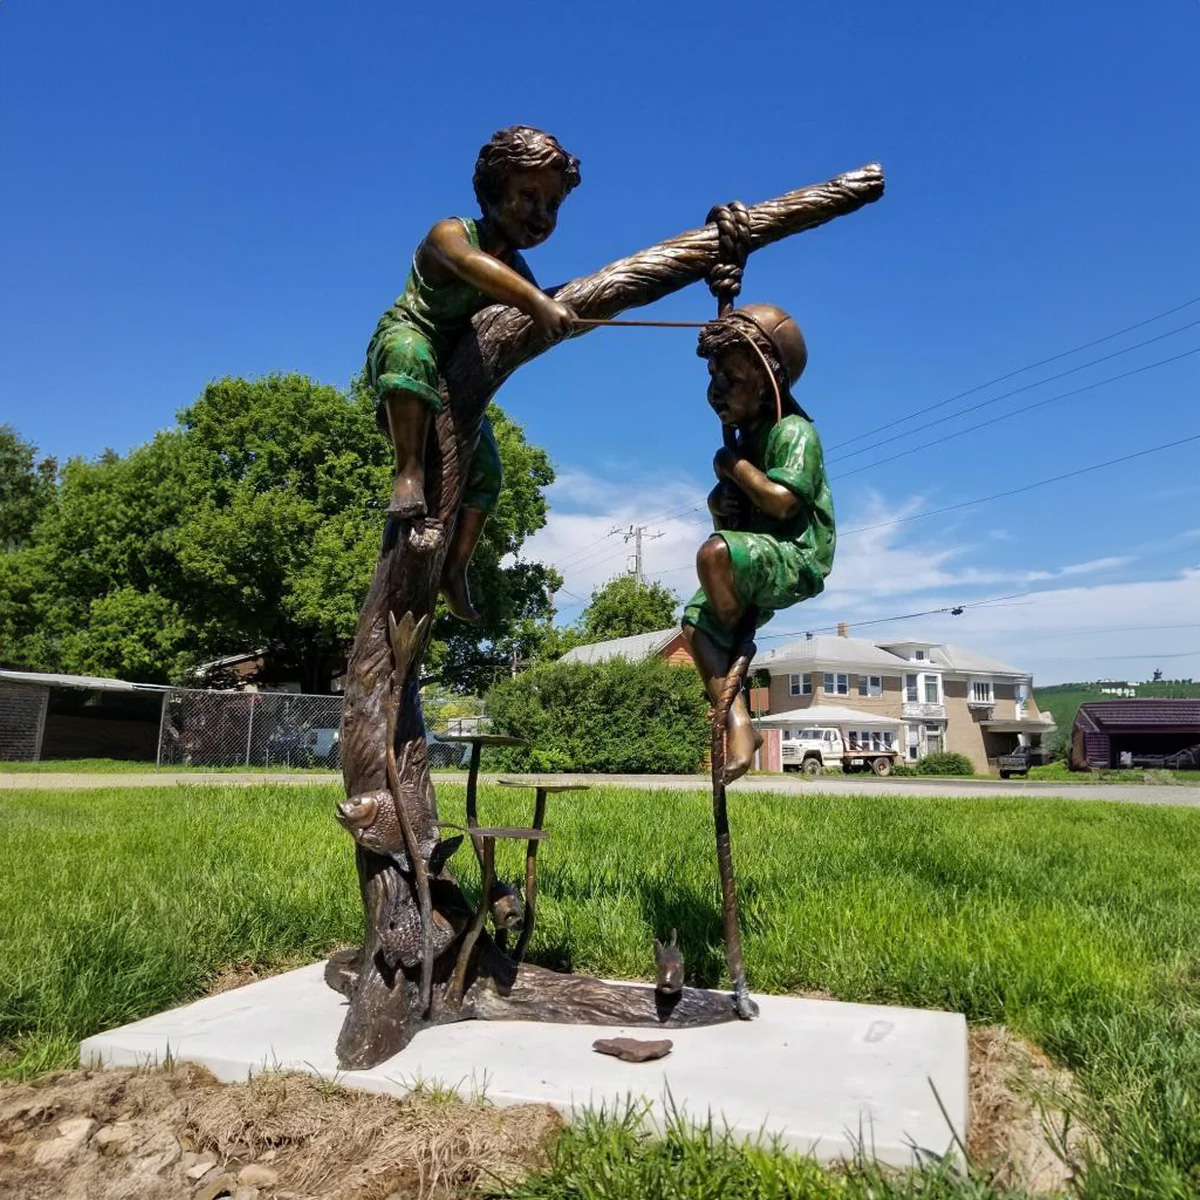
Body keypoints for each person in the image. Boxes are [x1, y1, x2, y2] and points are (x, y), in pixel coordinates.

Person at [365, 126, 581, 621]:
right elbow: (475, 268)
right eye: (528, 196)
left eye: (552, 205)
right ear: (492, 189)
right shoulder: (451, 234)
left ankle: (454, 568)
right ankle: (408, 471)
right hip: (411, 341)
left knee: (487, 469)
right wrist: (536, 301)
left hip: (458, 381)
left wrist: (558, 316)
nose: (540, 214)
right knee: (409, 353)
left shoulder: (521, 274)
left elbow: (536, 318)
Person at [682, 303, 836, 782]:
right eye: (713, 377)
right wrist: (720, 501)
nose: (717, 391)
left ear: (772, 380)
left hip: (797, 556)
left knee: (714, 555)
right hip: (758, 552)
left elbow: (782, 503)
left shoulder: (795, 432)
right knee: (694, 624)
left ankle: (729, 642)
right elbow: (735, 511)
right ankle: (739, 722)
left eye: (732, 379)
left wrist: (732, 468)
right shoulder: (744, 440)